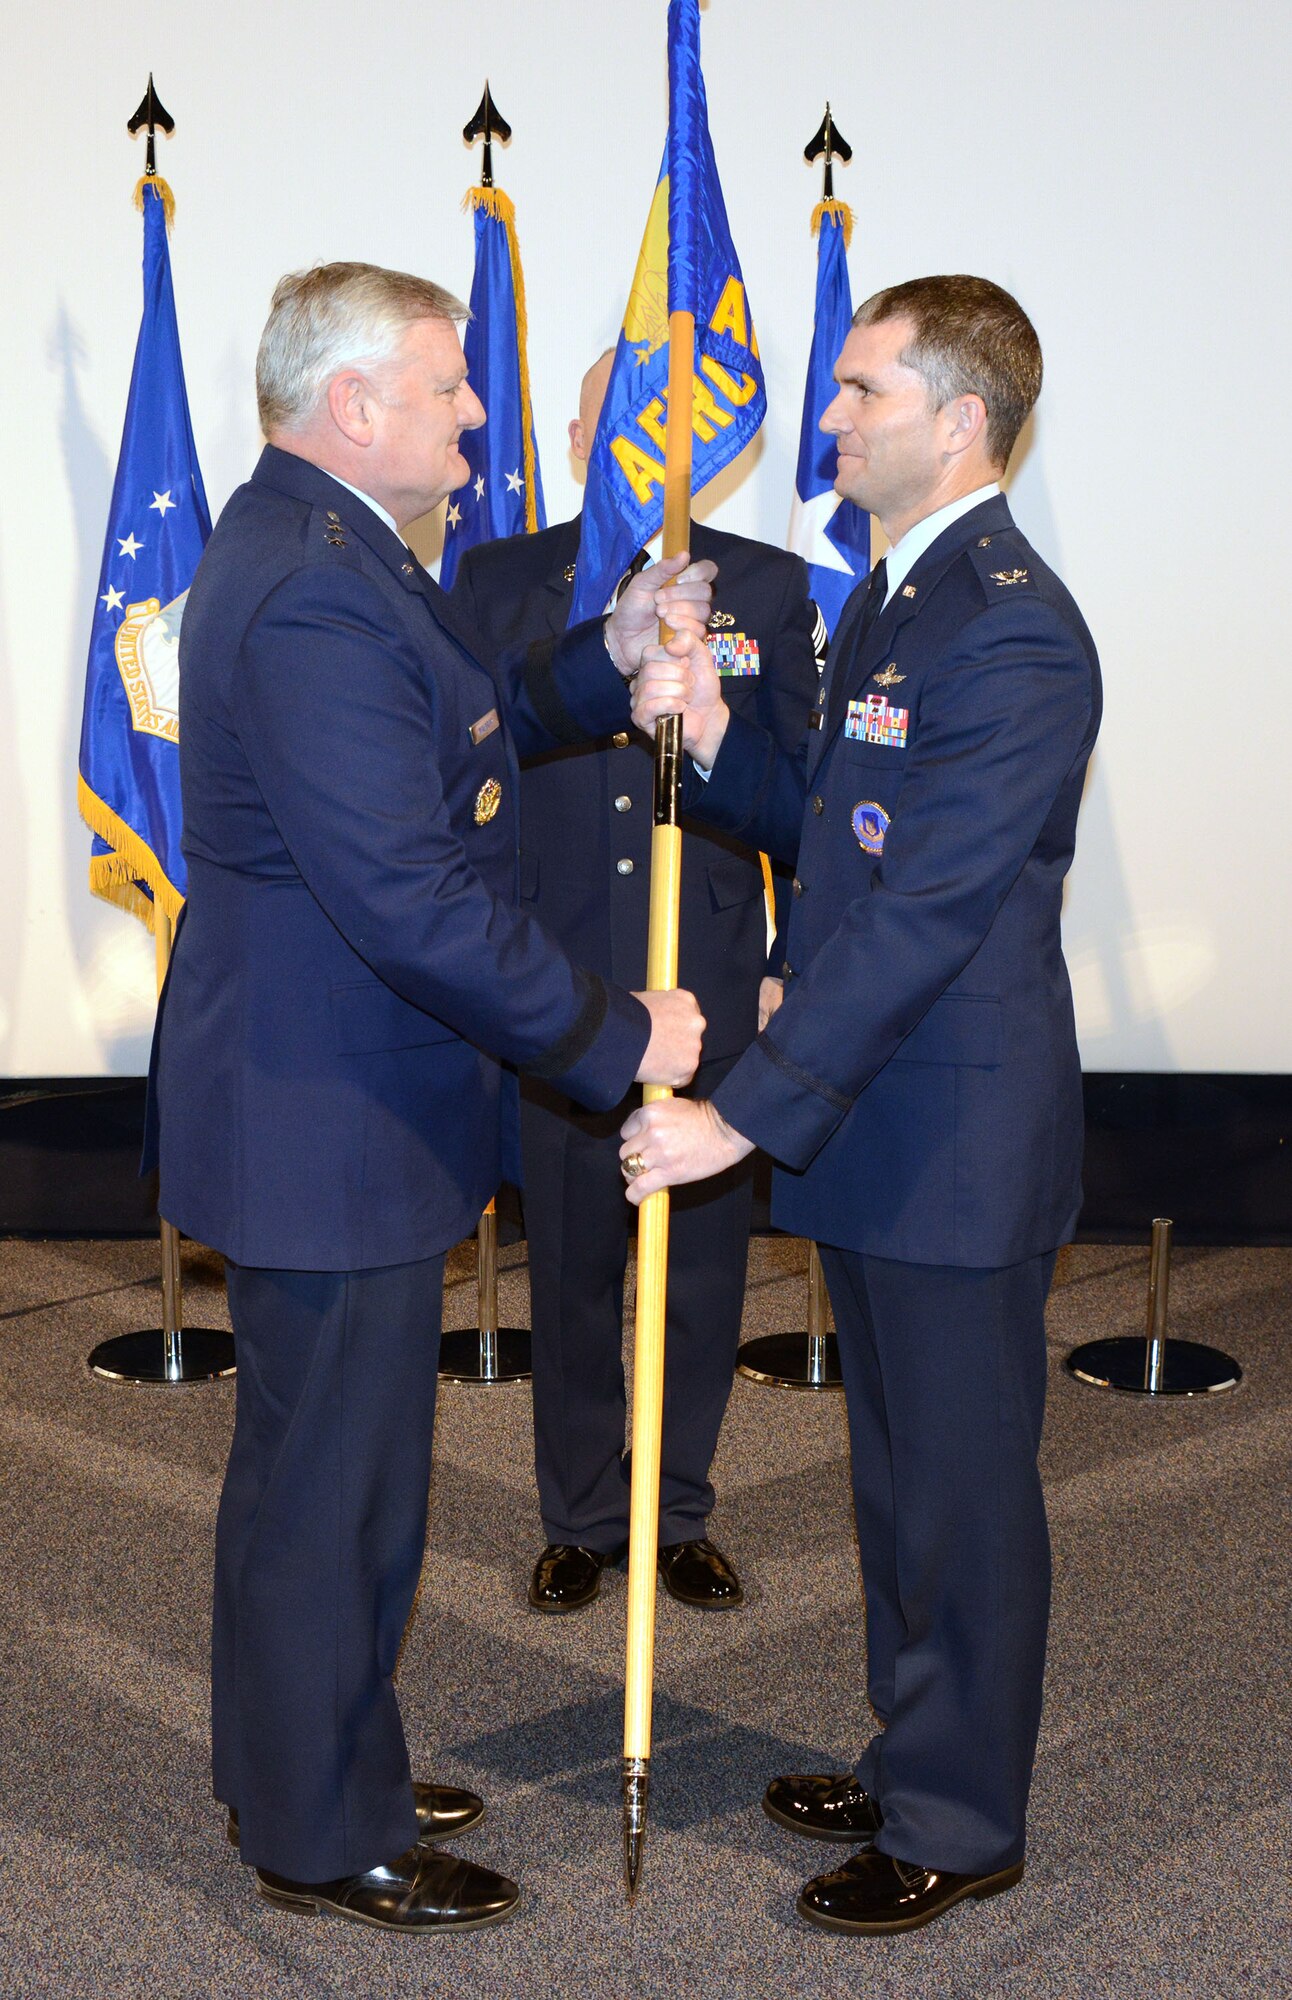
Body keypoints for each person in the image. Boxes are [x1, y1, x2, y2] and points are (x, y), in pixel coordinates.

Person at [147, 263, 715, 1935]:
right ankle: (325, 1834)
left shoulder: (328, 554)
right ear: (354, 408)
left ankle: (299, 1759)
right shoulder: (316, 585)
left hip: (323, 1101)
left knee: (306, 1471)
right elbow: (405, 890)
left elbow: (450, 735)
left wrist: (595, 665)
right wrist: (620, 1034)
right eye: (454, 385)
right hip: (326, 1114)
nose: (480, 411)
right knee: (339, 1488)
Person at [623, 275, 1101, 1936]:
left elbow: (922, 915)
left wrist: (741, 1111)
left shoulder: (1015, 627)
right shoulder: (901, 604)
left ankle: (960, 1821)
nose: (828, 419)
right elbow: (838, 836)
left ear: (957, 422)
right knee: (897, 1479)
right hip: (886, 1126)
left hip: (950, 1135)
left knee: (959, 1493)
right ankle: (917, 1753)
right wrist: (715, 727)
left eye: (858, 393)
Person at [452, 350, 820, 1614]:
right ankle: (578, 1512)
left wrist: (783, 968)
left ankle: (676, 1507)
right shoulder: (501, 579)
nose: (645, 438)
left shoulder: (763, 585)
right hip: (552, 984)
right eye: (620, 415)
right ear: (572, 430)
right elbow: (470, 776)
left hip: (708, 977)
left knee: (701, 1266)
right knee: (565, 1261)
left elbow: (803, 791)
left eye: (669, 416)